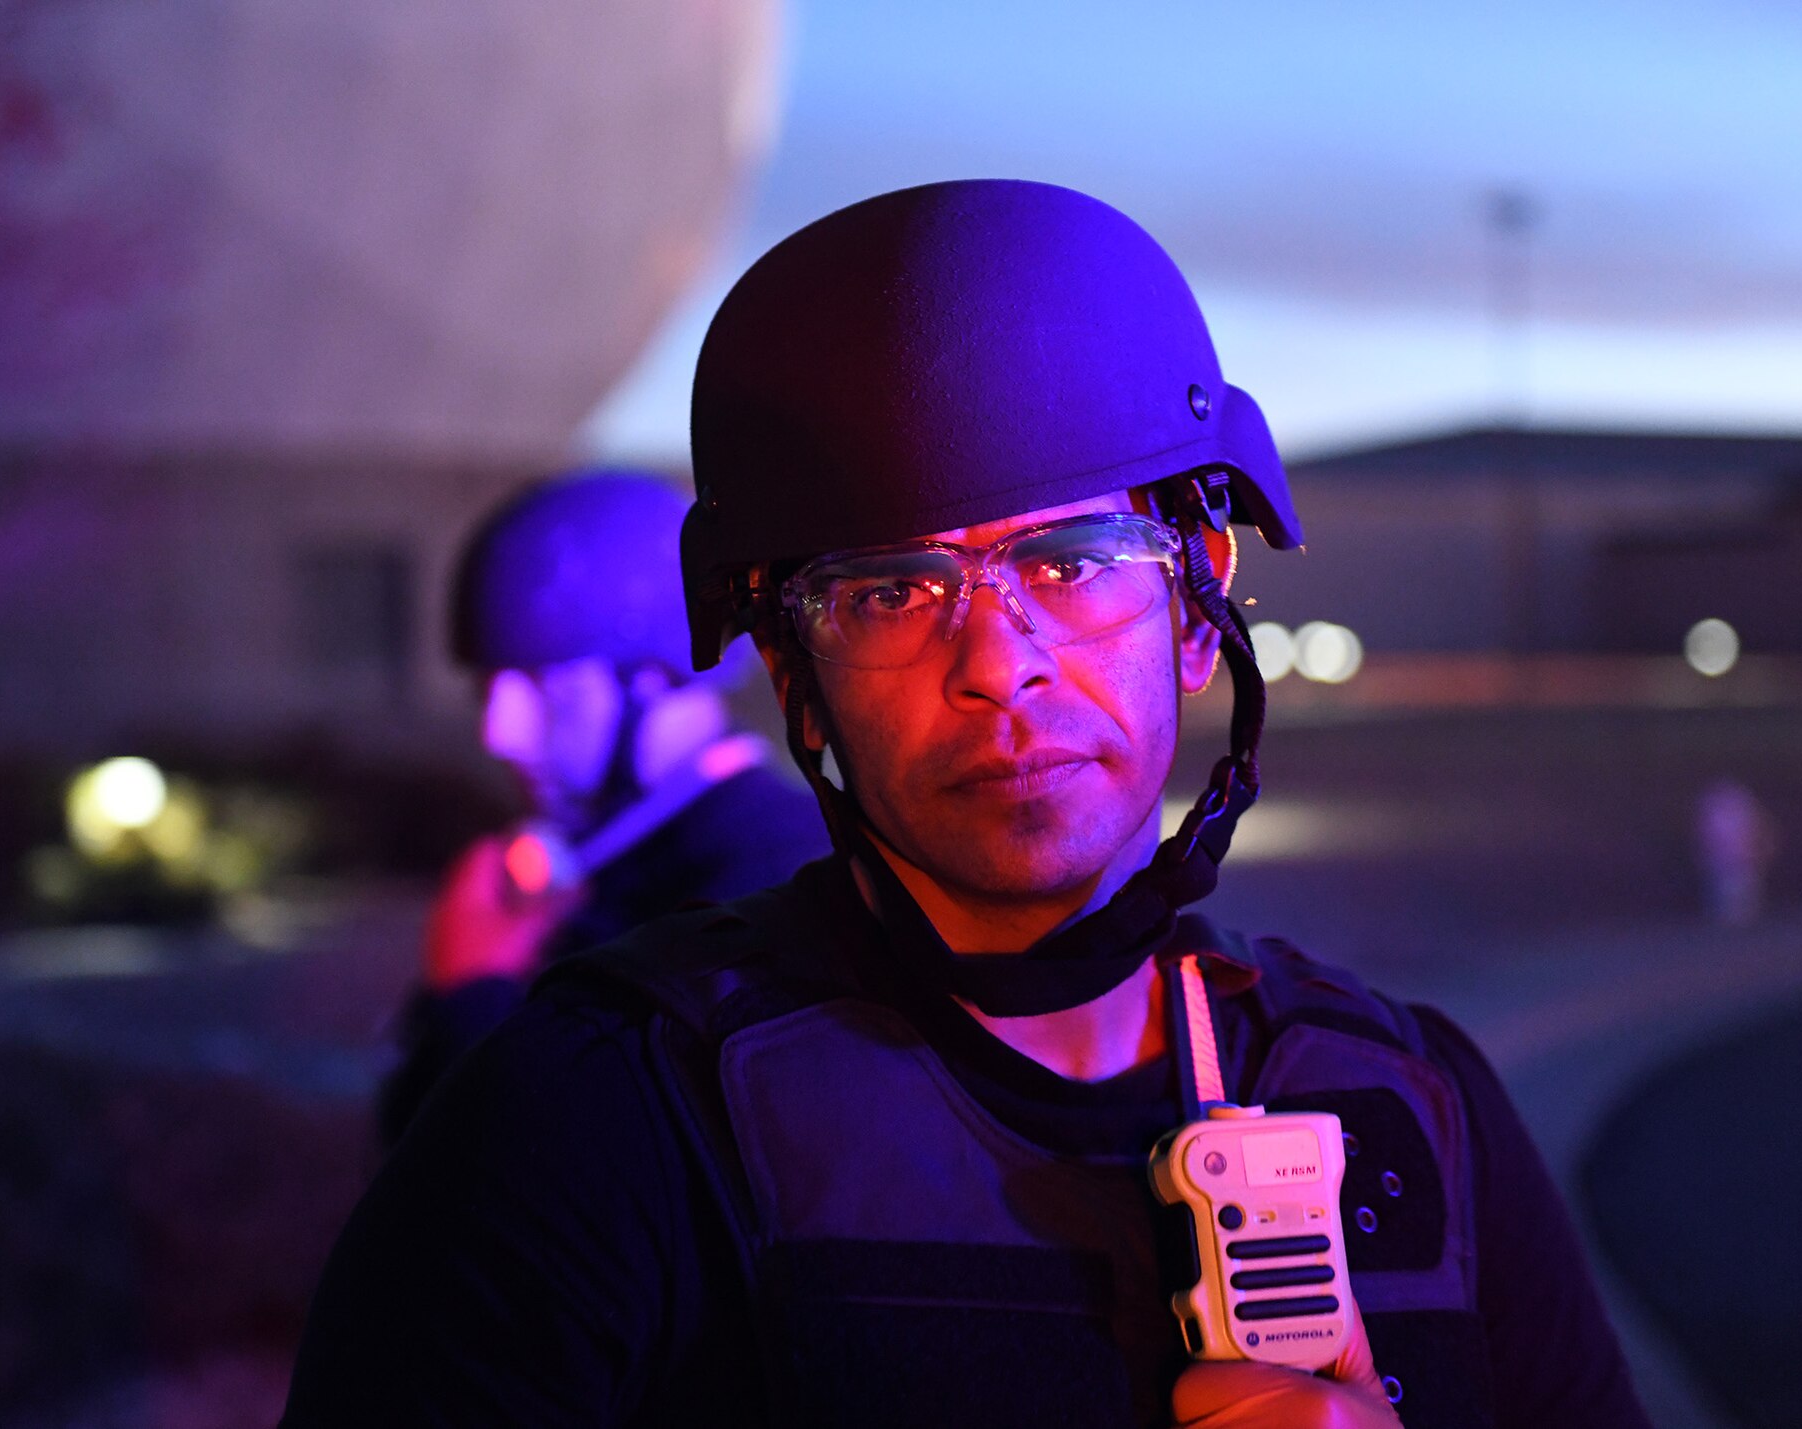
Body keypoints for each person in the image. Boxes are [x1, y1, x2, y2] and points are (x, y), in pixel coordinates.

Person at [290, 182, 1649, 1427]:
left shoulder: (1414, 1105)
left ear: (1197, 599)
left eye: (1072, 561)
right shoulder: (594, 1126)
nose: (999, 669)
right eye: (892, 591)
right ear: (795, 676)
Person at [375, 469, 826, 1144]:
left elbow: (590, 1178)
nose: (498, 731)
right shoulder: (609, 856)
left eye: (541, 686)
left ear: (654, 680)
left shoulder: (775, 882)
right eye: (487, 688)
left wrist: (473, 991)